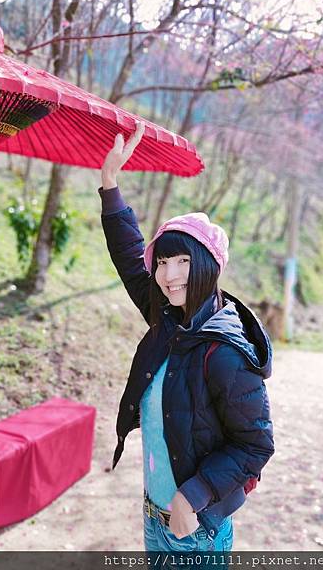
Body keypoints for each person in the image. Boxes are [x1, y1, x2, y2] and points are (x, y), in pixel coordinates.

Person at [98, 122, 274, 554]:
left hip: (195, 530)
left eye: (182, 262)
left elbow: (255, 444)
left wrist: (191, 497)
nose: (169, 275)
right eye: (162, 263)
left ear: (208, 267)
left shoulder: (225, 352)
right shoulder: (167, 320)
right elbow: (128, 256)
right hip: (155, 516)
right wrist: (110, 185)